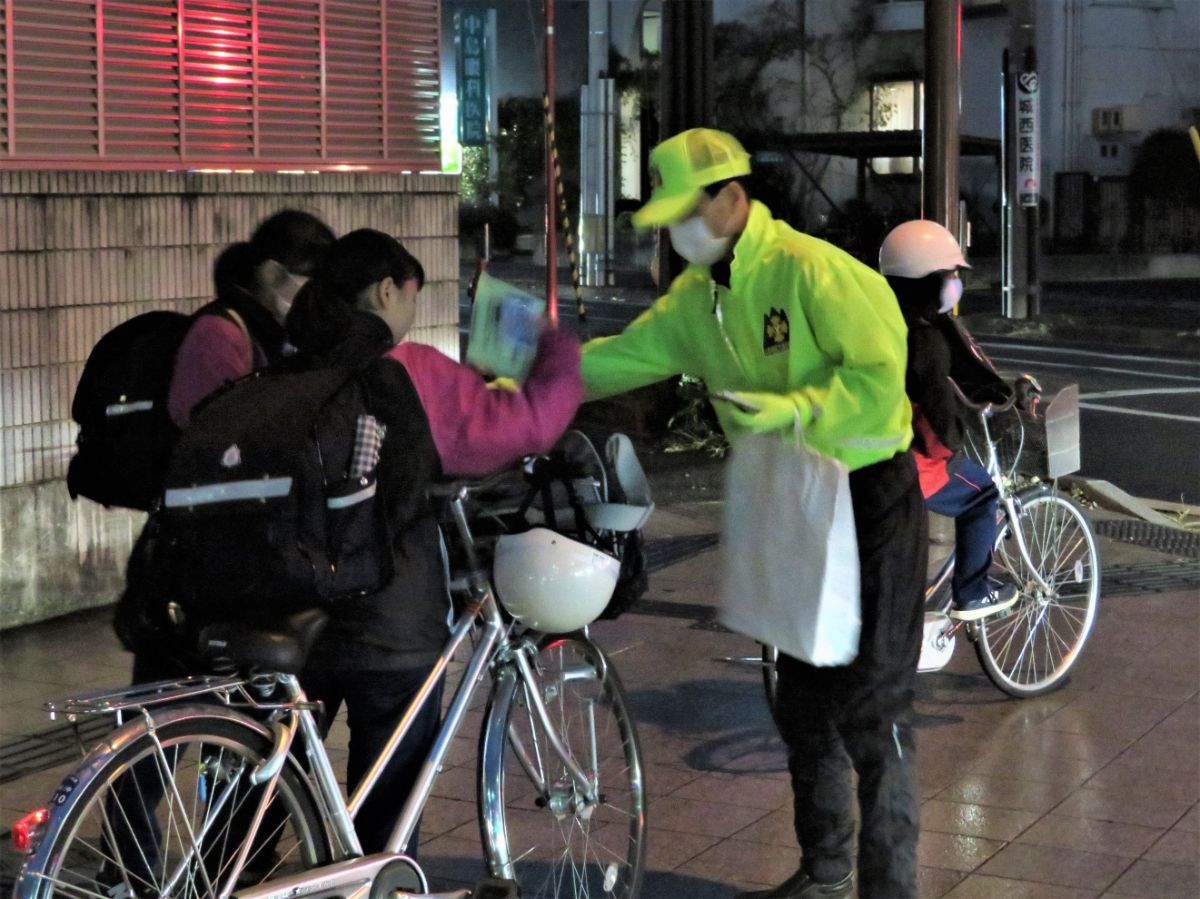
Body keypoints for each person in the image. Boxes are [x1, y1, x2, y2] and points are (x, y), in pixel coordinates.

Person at [580, 128, 926, 899]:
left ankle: (888, 887)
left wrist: (794, 408)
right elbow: (612, 359)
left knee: (874, 705)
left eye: (685, 212)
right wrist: (507, 372)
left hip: (872, 497)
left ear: (734, 198)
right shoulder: (696, 300)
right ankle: (827, 866)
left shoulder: (815, 271)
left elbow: (880, 381)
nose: (676, 232)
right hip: (794, 499)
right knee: (804, 698)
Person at [284, 228, 583, 853]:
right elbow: (525, 424)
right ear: (387, 290)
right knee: (386, 824)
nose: (410, 317)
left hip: (291, 619)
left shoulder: (284, 373)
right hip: (386, 622)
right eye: (410, 300)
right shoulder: (411, 372)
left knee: (271, 791)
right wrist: (554, 348)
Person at [878, 219, 1021, 620]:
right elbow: (939, 428)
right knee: (983, 494)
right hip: (906, 463)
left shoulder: (879, 317)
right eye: (951, 273)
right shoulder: (926, 340)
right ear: (928, 278)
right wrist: (957, 438)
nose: (956, 282)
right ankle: (973, 593)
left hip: (856, 452)